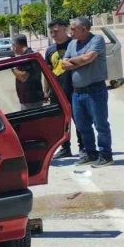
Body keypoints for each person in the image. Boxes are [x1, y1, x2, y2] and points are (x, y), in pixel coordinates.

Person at [62, 16, 113, 167]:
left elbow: (89, 58)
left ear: (84, 29)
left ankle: (106, 155)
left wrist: (74, 61)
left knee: (100, 124)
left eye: (73, 29)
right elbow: (64, 64)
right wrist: (79, 60)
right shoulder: (72, 44)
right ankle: (91, 153)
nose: (70, 32)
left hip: (95, 90)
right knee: (82, 126)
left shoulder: (97, 40)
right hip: (77, 93)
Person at [44, 19, 81, 159]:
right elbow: (47, 72)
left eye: (56, 31)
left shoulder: (75, 45)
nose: (54, 34)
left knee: (79, 121)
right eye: (51, 32)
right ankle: (65, 148)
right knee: (61, 123)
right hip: (57, 93)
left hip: (75, 90)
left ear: (65, 29)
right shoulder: (49, 50)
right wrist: (46, 91)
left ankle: (83, 147)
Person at [10, 34, 47, 111]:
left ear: (17, 45)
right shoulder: (25, 56)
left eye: (13, 45)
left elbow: (23, 77)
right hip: (28, 100)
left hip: (32, 100)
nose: (12, 48)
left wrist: (12, 67)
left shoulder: (29, 56)